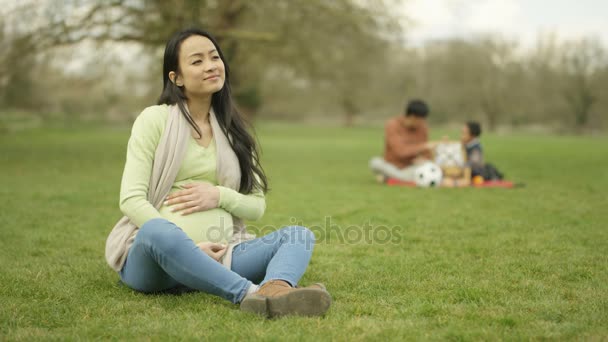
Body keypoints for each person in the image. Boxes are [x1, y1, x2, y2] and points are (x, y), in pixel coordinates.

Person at [104, 28, 331, 318]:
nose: (211, 65)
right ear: (177, 78)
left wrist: (219, 195)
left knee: (299, 235)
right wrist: (189, 249)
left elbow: (256, 206)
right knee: (156, 230)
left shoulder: (234, 131)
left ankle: (277, 289)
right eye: (197, 61)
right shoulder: (154, 120)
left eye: (214, 57)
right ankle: (249, 294)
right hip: (155, 262)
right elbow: (131, 199)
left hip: (223, 255)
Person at [369, 99, 434, 182]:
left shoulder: (423, 128)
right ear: (412, 117)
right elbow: (400, 151)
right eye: (420, 120)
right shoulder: (392, 125)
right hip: (390, 165)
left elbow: (426, 153)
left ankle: (389, 178)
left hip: (411, 167)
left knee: (428, 166)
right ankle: (400, 178)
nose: (422, 123)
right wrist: (423, 147)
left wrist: (423, 158)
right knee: (375, 163)